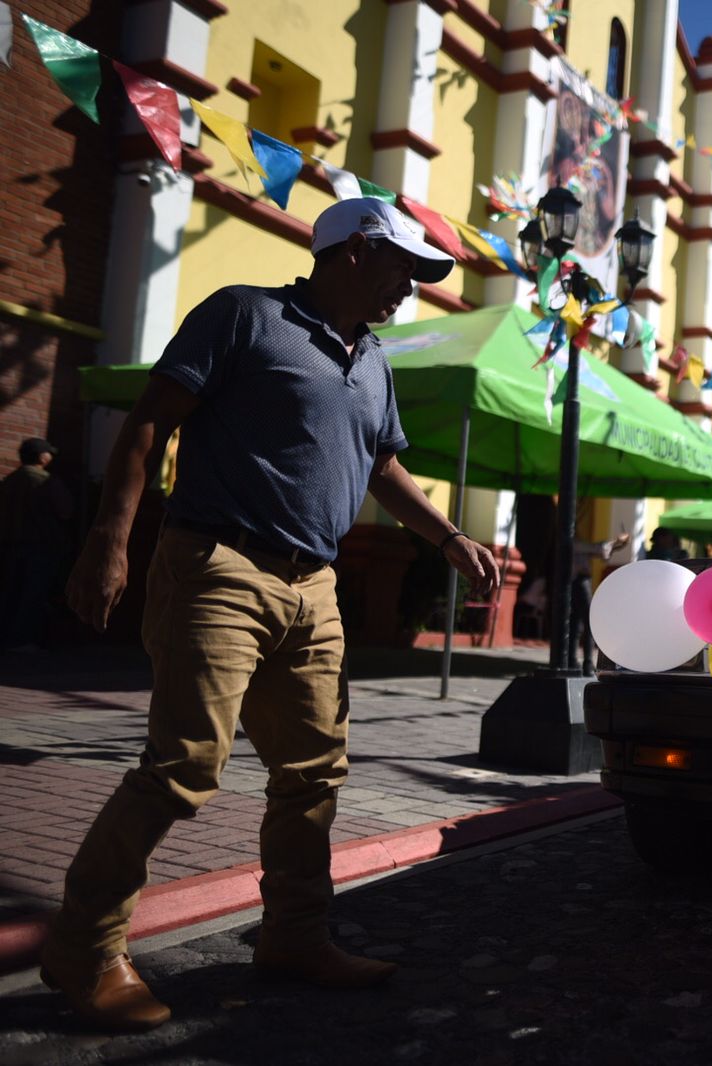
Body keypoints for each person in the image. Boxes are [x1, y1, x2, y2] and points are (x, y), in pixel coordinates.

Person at [43, 198, 500, 1033]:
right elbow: (149, 423)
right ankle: (84, 945)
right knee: (184, 766)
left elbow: (381, 467)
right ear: (357, 252)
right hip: (220, 564)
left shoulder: (374, 360)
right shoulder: (245, 314)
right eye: (406, 268)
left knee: (315, 774)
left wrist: (448, 537)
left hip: (314, 588)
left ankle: (293, 935)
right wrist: (109, 539)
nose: (414, 287)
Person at [0, 437, 74, 650]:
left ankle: (6, 637)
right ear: (42, 457)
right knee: (32, 593)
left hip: (10, 544)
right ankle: (22, 640)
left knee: (10, 591)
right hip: (40, 545)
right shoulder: (47, 482)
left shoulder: (10, 481)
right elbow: (66, 511)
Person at [570, 527, 631, 673]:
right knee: (585, 621)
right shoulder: (571, 542)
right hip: (578, 581)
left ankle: (579, 660)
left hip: (578, 581)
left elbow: (600, 552)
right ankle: (583, 661)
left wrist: (616, 545)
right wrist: (616, 542)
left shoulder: (573, 543)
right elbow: (597, 548)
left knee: (577, 623)